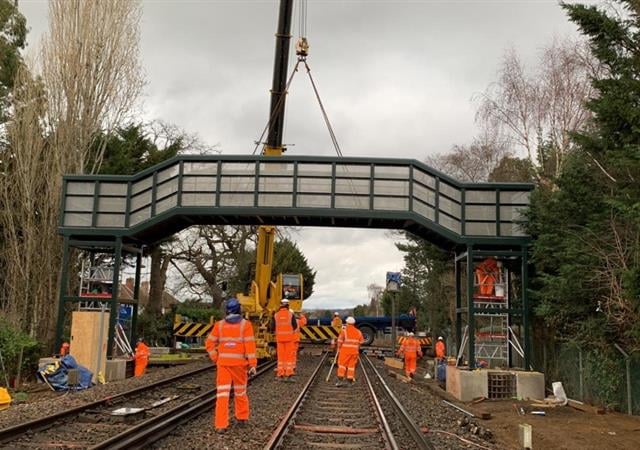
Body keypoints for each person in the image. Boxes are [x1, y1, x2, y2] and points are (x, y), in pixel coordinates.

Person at [205, 298, 257, 433]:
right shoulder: (246, 325)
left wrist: (216, 358)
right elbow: (250, 347)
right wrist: (252, 365)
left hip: (223, 365)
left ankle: (221, 425)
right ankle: (242, 418)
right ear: (239, 310)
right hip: (239, 365)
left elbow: (209, 344)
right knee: (240, 392)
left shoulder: (219, 325)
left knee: (222, 395)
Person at [271, 299, 298, 381]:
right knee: (289, 357)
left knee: (281, 357)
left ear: (280, 305)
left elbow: (272, 327)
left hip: (279, 339)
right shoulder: (291, 315)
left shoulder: (276, 315)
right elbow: (295, 326)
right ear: (288, 305)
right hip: (289, 339)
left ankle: (280, 374)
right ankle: (288, 374)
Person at [335, 316, 365, 386]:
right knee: (351, 367)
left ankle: (340, 381)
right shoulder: (359, 332)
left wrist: (338, 348)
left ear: (347, 323)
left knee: (342, 366)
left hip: (345, 352)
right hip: (354, 352)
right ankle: (349, 381)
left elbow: (339, 341)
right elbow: (361, 342)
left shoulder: (344, 331)